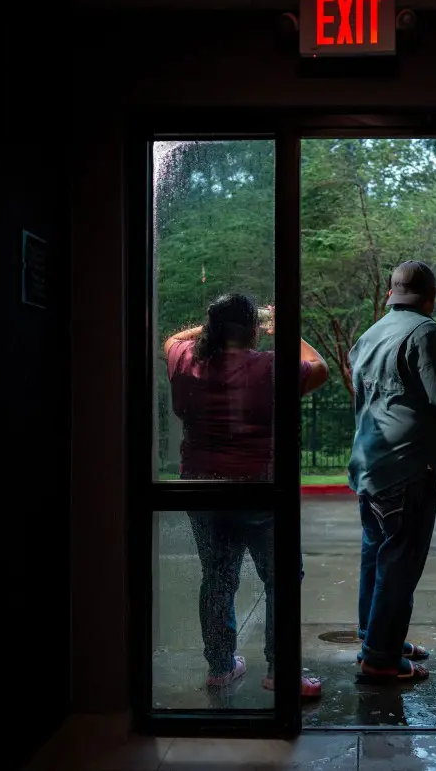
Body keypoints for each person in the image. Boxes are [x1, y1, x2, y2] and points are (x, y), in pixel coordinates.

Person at [163, 293, 328, 698]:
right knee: (282, 578)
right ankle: (281, 670)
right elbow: (321, 369)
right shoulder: (270, 368)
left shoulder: (185, 361)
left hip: (203, 489)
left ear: (213, 328)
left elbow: (170, 340)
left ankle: (220, 667)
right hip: (261, 489)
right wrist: (286, 327)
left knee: (217, 579)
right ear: (254, 330)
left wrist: (213, 326)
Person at [348, 261, 436, 683]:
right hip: (406, 470)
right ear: (431, 297)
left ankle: (374, 638)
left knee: (376, 555)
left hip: (369, 466)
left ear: (391, 293)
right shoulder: (425, 333)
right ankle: (380, 658)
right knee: (398, 566)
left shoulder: (371, 334)